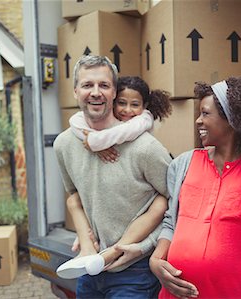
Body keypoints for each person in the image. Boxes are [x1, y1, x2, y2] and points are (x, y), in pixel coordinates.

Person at [149, 75, 241, 298]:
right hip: (175, 294)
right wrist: (156, 260)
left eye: (205, 113)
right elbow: (171, 221)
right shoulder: (182, 164)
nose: (198, 121)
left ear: (232, 119)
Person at [53, 55, 172, 298]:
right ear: (75, 91)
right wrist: (84, 237)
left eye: (104, 85)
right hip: (90, 268)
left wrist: (143, 247)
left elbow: (178, 203)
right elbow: (75, 195)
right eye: (87, 85)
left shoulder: (145, 147)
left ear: (114, 92)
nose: (95, 92)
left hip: (135, 271)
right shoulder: (63, 144)